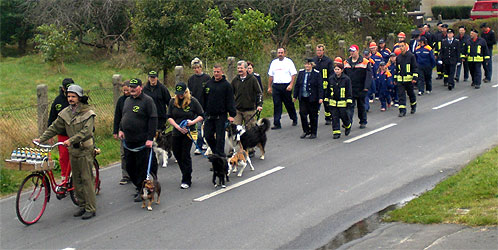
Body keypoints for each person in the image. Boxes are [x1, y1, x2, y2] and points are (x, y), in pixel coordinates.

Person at [35, 84, 97, 220]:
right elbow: (55, 127)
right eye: (69, 96)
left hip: (85, 150)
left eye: (73, 96)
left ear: (79, 98)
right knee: (76, 180)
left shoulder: (88, 113)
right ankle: (82, 205)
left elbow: (86, 132)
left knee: (86, 179)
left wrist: (72, 139)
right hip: (73, 151)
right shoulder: (66, 113)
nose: (70, 99)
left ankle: (90, 208)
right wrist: (42, 138)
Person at [118, 78, 158, 202]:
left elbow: (153, 119)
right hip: (129, 141)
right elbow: (124, 116)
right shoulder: (127, 101)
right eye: (130, 87)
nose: (132, 89)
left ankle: (142, 189)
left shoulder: (147, 101)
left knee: (142, 167)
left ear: (140, 87)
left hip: (142, 142)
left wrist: (150, 139)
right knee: (130, 167)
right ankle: (138, 185)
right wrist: (121, 129)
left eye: (135, 87)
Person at [167, 82, 204, 189]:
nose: (180, 95)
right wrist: (177, 126)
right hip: (177, 131)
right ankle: (185, 171)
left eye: (182, 93)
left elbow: (201, 115)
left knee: (185, 154)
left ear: (186, 92)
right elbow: (169, 116)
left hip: (189, 132)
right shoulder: (172, 101)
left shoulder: (193, 101)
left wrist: (192, 122)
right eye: (178, 94)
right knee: (177, 154)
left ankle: (186, 178)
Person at [202, 64, 236, 157]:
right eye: (214, 72)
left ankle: (220, 159)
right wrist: (202, 113)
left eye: (218, 72)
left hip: (221, 116)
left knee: (220, 139)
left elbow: (230, 101)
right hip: (209, 116)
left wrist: (232, 115)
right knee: (207, 136)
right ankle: (216, 153)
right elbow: (204, 99)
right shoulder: (208, 84)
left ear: (222, 72)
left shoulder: (227, 86)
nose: (216, 74)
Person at [47, 78, 73, 181]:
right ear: (62, 88)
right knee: (63, 157)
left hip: (75, 134)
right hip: (62, 134)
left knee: (78, 157)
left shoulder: (77, 99)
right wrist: (50, 134)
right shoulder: (58, 101)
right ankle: (65, 179)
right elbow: (52, 117)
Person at [267, 47, 298, 130]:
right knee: (277, 104)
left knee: (288, 104)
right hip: (276, 86)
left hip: (286, 86)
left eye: (281, 52)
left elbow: (293, 74)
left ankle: (294, 118)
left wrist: (291, 85)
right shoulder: (274, 63)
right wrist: (269, 87)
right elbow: (271, 75)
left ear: (285, 53)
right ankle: (277, 123)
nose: (280, 54)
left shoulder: (289, 62)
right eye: (279, 53)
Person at [293, 59, 323, 139]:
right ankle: (306, 130)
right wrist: (295, 96)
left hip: (313, 98)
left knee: (313, 116)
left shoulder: (316, 74)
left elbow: (320, 86)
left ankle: (313, 132)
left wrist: (320, 97)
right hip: (303, 97)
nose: (307, 66)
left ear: (312, 65)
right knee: (302, 114)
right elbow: (297, 85)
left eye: (309, 64)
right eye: (306, 64)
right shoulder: (301, 73)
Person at [344, 44, 372, 129]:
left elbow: (368, 76)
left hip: (361, 88)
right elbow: (344, 76)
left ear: (357, 51)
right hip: (350, 88)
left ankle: (363, 121)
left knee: (361, 106)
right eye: (350, 51)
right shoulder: (346, 62)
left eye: (353, 51)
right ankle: (348, 122)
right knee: (349, 107)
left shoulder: (365, 62)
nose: (352, 53)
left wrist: (366, 87)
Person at [187, 58, 211, 155]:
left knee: (203, 127)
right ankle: (199, 145)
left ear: (201, 67)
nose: (197, 69)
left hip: (204, 106)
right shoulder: (191, 79)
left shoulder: (207, 78)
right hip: (194, 107)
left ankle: (202, 144)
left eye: (198, 67)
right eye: (195, 68)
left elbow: (209, 93)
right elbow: (189, 94)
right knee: (196, 127)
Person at [231, 60, 263, 129]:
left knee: (251, 130)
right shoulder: (235, 80)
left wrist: (259, 104)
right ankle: (239, 140)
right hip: (238, 110)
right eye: (238, 68)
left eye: (241, 68)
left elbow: (259, 93)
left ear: (246, 69)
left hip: (249, 110)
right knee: (236, 130)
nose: (239, 70)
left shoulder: (252, 79)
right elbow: (230, 94)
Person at [326, 63, 352, 139]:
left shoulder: (346, 79)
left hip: (342, 102)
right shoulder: (331, 79)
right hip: (333, 102)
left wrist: (349, 100)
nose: (336, 71)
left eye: (338, 69)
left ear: (342, 70)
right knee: (334, 117)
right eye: (335, 69)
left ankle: (347, 125)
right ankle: (336, 132)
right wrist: (327, 99)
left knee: (344, 116)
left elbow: (349, 90)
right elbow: (328, 90)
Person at [113, 80, 131, 185]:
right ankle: (125, 175)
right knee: (123, 154)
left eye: (127, 90)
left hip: (135, 132)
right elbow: (117, 116)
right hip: (123, 131)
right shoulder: (121, 101)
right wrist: (115, 131)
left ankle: (136, 173)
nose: (125, 92)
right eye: (123, 90)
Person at [394, 42, 418, 117]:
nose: (401, 48)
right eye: (400, 46)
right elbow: (397, 69)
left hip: (409, 80)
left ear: (406, 47)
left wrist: (414, 78)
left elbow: (415, 67)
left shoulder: (411, 56)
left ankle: (413, 106)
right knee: (401, 95)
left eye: (402, 46)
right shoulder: (398, 57)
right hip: (400, 80)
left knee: (411, 94)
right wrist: (395, 79)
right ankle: (402, 111)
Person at [312, 44, 334, 125]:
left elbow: (331, 73)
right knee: (315, 103)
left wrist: (331, 84)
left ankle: (328, 118)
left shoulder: (328, 61)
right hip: (316, 87)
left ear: (323, 51)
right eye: (317, 50)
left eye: (320, 50)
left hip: (326, 86)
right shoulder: (313, 60)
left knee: (326, 103)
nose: (318, 52)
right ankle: (314, 118)